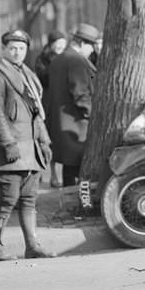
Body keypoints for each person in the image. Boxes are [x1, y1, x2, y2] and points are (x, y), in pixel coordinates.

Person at [0, 29, 55, 261]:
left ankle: (32, 246)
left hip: (30, 150)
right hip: (9, 151)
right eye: (12, 48)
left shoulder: (28, 75)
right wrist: (8, 143)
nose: (17, 52)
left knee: (28, 200)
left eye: (21, 48)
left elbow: (36, 115)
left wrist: (43, 140)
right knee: (7, 199)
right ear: (4, 49)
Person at [46, 23, 99, 187]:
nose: (92, 52)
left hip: (63, 124)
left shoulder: (58, 59)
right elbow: (81, 94)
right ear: (82, 44)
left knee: (70, 171)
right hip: (77, 126)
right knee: (79, 173)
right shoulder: (76, 61)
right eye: (91, 47)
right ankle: (80, 207)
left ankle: (70, 206)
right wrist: (95, 116)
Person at [33, 30, 67, 188]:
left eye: (62, 43)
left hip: (63, 103)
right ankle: (49, 173)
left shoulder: (68, 57)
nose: (60, 46)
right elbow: (42, 79)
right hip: (48, 102)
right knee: (47, 138)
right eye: (57, 43)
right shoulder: (42, 60)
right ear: (51, 44)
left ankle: (57, 174)